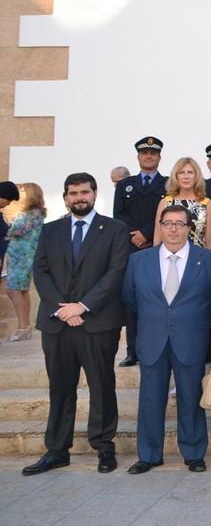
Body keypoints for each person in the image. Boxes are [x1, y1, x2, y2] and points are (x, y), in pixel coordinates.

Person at [22, 173, 130, 476]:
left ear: (94, 194)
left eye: (84, 192)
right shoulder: (50, 230)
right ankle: (57, 451)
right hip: (57, 324)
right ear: (65, 197)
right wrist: (64, 309)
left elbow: (116, 272)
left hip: (97, 323)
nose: (79, 198)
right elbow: (41, 272)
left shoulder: (115, 229)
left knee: (102, 386)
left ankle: (104, 447)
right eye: (73, 193)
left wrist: (82, 306)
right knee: (60, 389)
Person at [121, 205, 211, 474]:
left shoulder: (209, 260)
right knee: (150, 399)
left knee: (191, 397)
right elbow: (130, 297)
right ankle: (149, 454)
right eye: (168, 223)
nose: (173, 229)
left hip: (191, 337)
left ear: (189, 228)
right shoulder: (139, 260)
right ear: (160, 227)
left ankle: (194, 453)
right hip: (152, 338)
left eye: (180, 224)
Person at [114, 136, 167, 367]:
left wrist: (146, 233)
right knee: (132, 299)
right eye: (145, 153)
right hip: (131, 248)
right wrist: (135, 236)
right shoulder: (125, 185)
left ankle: (156, 346)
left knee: (157, 298)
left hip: (157, 246)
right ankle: (132, 350)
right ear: (138, 157)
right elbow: (119, 215)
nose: (149, 157)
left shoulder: (167, 184)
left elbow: (167, 213)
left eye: (153, 153)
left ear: (159, 157)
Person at [6, 182, 44, 341]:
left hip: (21, 258)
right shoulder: (36, 213)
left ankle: (23, 328)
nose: (19, 194)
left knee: (13, 290)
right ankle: (25, 327)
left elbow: (16, 230)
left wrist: (9, 224)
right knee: (21, 291)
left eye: (22, 191)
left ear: (30, 194)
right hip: (23, 257)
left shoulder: (30, 214)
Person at [152, 157, 211, 249]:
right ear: (176, 176)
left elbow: (209, 242)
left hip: (197, 255)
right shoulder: (165, 202)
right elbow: (157, 239)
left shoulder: (207, 204)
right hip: (169, 255)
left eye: (190, 172)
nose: (186, 177)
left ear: (196, 176)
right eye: (181, 172)